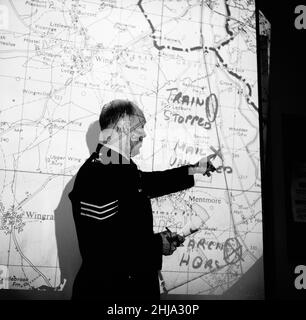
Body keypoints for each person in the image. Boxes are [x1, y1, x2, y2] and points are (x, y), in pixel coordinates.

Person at [69, 99, 215, 300]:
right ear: (122, 128)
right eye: (140, 126)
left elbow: (150, 182)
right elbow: (103, 247)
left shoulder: (115, 166)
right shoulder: (97, 173)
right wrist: (157, 245)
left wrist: (194, 168)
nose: (144, 134)